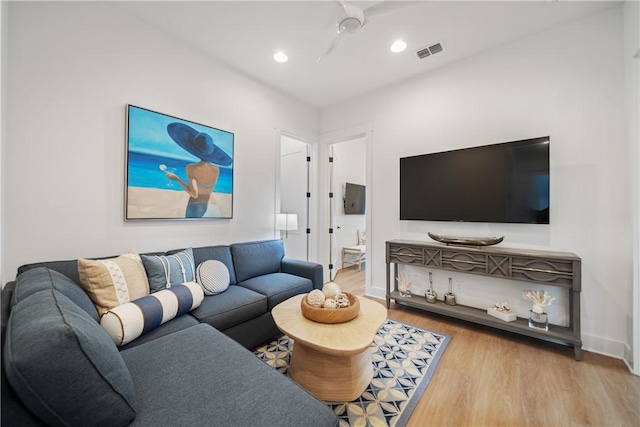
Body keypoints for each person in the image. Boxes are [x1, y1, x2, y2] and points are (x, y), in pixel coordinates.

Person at [165, 122, 232, 218]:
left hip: (194, 207)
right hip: (206, 205)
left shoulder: (191, 168)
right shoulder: (216, 169)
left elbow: (194, 194)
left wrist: (177, 179)